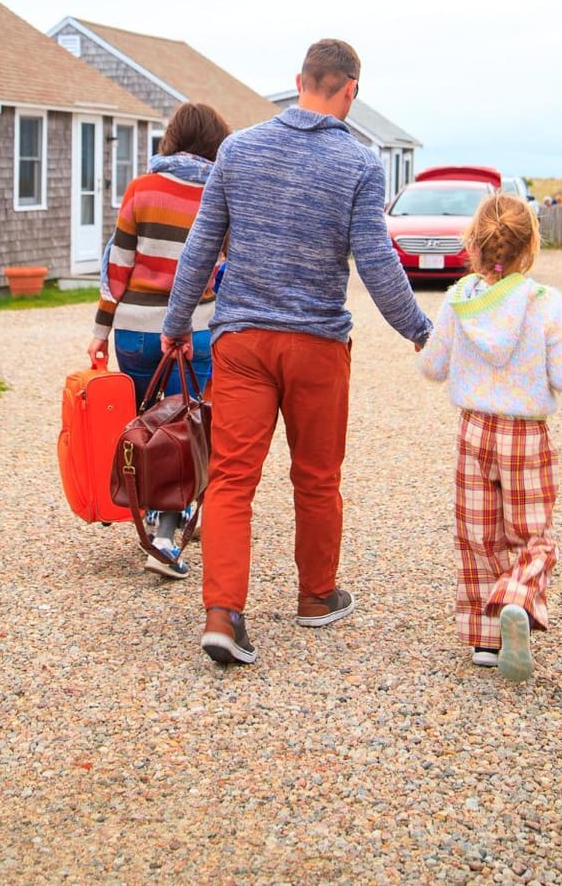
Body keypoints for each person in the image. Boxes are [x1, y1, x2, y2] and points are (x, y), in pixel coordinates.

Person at [160, 39, 434, 666]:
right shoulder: (359, 164)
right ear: (350, 90)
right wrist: (421, 329)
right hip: (317, 345)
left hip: (242, 342)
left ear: (300, 80)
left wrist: (176, 323)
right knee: (316, 477)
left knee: (231, 478)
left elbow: (200, 246)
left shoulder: (238, 149)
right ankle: (315, 597)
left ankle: (223, 614)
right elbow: (377, 264)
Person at [419, 192, 562, 682]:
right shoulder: (545, 302)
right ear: (530, 246)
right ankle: (517, 598)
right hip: (526, 434)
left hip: (474, 430)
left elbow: (432, 367)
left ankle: (485, 638)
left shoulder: (459, 300)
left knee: (477, 534)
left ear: (474, 244)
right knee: (533, 536)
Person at [87, 101, 230, 579]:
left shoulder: (140, 189)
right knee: (182, 429)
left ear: (172, 138)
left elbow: (118, 269)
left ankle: (155, 510)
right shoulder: (218, 192)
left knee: (144, 423)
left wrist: (100, 331)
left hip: (135, 330)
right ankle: (165, 537)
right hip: (194, 330)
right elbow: (226, 267)